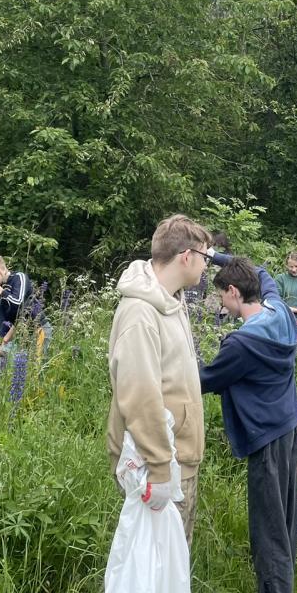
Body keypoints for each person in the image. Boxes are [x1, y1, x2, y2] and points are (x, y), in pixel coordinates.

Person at [199, 252, 297, 593]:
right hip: (290, 426)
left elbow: (204, 380)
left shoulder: (241, 344)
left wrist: (159, 367)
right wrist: (214, 256)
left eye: (221, 297)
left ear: (232, 292)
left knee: (268, 528)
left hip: (266, 436)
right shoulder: (280, 311)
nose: (220, 305)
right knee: (285, 516)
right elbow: (259, 269)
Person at [105, 214, 209, 547]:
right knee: (157, 567)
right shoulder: (141, 313)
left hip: (179, 459)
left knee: (173, 566)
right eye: (205, 257)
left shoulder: (171, 302)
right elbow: (140, 396)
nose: (207, 266)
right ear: (187, 257)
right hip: (158, 468)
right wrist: (161, 469)